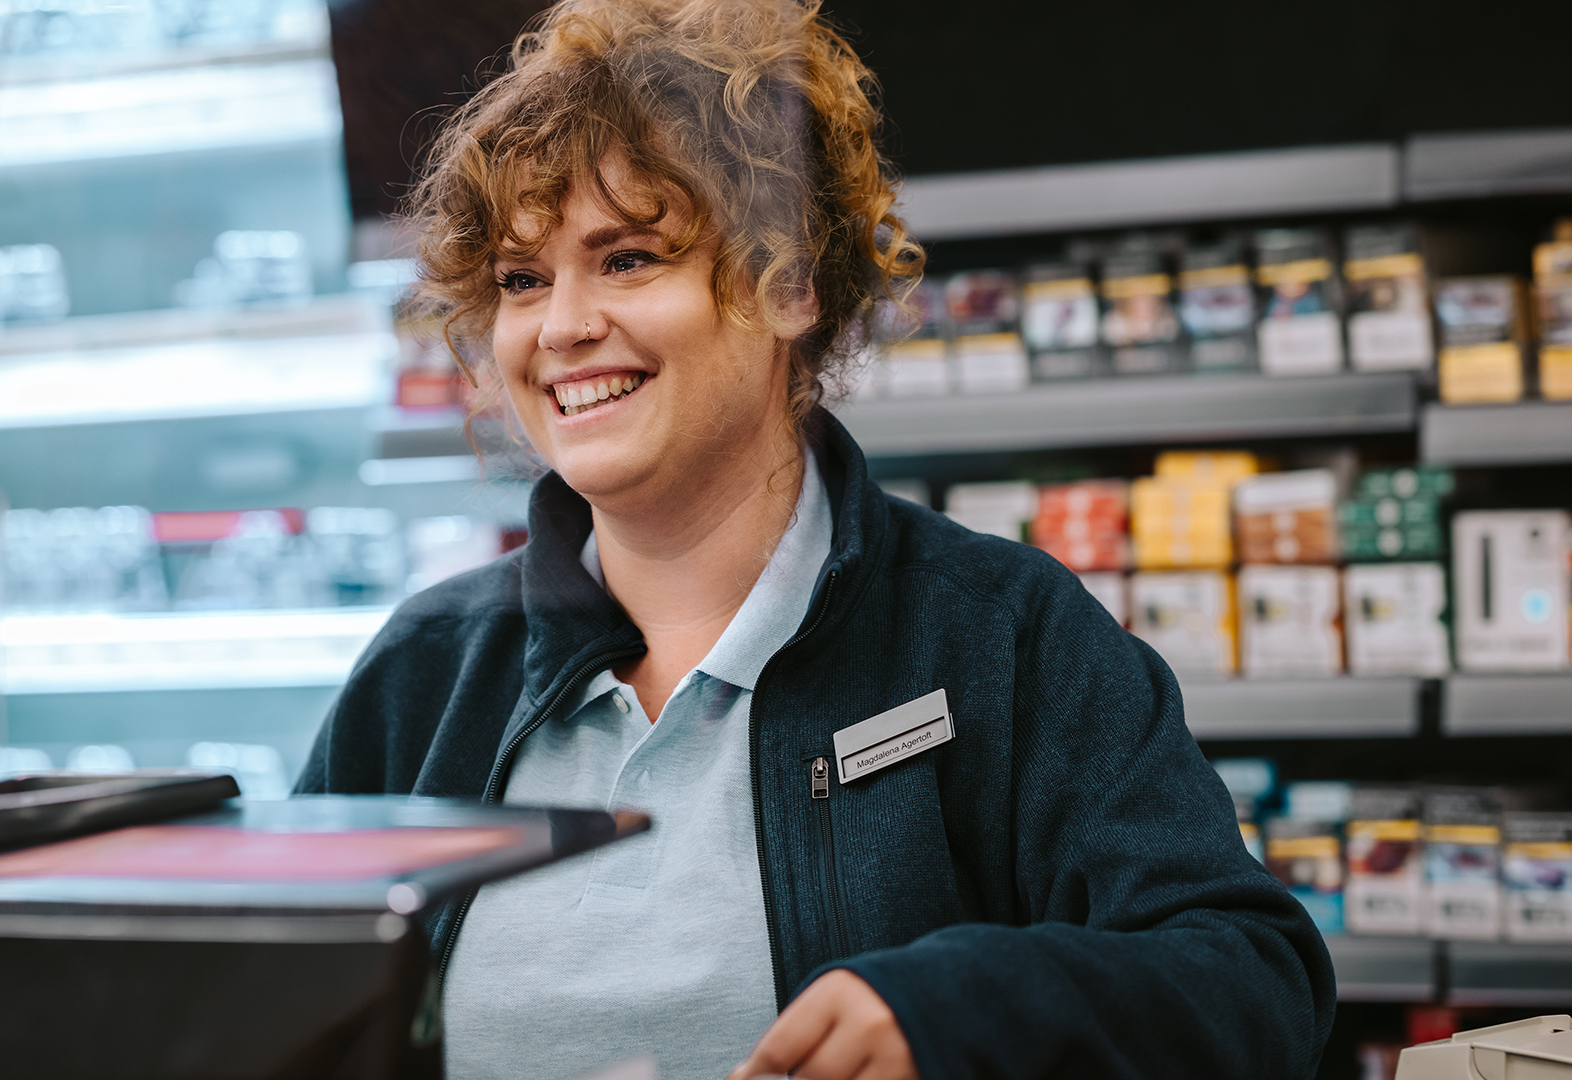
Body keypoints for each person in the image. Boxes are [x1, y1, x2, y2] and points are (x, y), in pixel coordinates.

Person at [295, 1, 1336, 1077]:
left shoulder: (994, 636)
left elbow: (1253, 981)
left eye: (628, 259)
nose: (561, 326)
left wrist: (960, 1012)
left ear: (786, 283)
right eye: (522, 279)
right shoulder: (423, 678)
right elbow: (282, 1012)